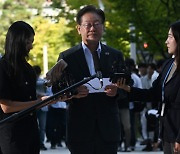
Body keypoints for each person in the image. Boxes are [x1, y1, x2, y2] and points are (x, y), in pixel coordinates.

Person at [49, 5, 124, 154]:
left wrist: (117, 90)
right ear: (79, 29)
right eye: (87, 25)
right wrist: (73, 92)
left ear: (103, 27)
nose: (92, 28)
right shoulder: (67, 57)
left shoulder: (115, 55)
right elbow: (57, 89)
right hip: (79, 129)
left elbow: (127, 86)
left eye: (97, 24)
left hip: (108, 129)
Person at [117, 20, 180, 154]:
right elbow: (154, 93)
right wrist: (128, 89)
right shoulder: (168, 65)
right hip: (167, 130)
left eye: (170, 37)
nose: (166, 41)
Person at [0, 21, 54, 154]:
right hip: (12, 136)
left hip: (31, 133)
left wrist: (49, 98)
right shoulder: (3, 68)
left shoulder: (28, 69)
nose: (31, 46)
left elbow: (28, 97)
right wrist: (38, 103)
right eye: (29, 42)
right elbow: (7, 106)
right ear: (18, 41)